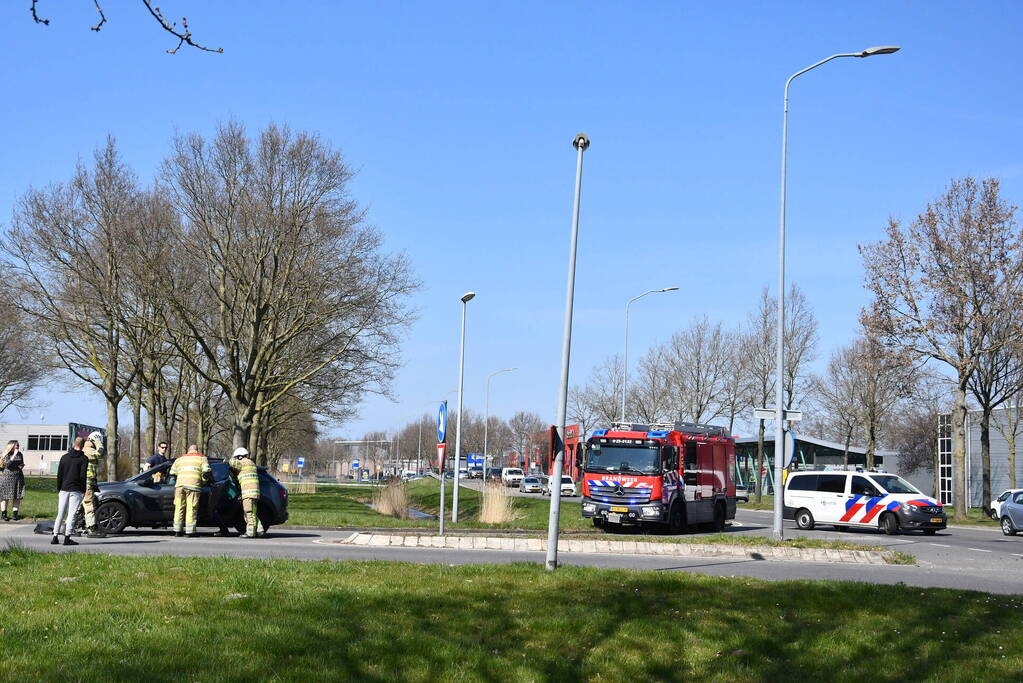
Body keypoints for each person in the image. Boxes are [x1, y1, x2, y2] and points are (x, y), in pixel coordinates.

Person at [52, 437, 89, 546]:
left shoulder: (64, 457)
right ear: (82, 446)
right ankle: (67, 538)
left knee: (60, 513)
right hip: (76, 489)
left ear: (73, 444)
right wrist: (83, 490)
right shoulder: (84, 459)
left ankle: (55, 537)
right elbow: (83, 476)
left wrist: (59, 488)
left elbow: (60, 475)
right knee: (71, 514)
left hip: (64, 488)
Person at [169, 444, 211, 537]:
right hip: (193, 486)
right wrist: (204, 481)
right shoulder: (202, 458)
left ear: (188, 450)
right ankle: (190, 532)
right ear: (197, 450)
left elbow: (172, 473)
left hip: (180, 487)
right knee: (191, 508)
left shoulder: (180, 459)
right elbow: (206, 472)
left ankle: (177, 531)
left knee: (179, 507)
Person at [228, 447, 261, 538]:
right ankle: (259, 530)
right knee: (253, 513)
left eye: (237, 457)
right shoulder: (251, 463)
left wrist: (228, 460)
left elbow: (232, 463)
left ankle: (250, 533)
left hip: (248, 492)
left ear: (240, 456)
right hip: (255, 492)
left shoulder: (242, 463)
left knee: (248, 512)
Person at [80, 431, 107, 538]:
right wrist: (98, 442)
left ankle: (79, 525)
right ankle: (91, 527)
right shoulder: (88, 450)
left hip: (88, 481)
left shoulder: (87, 449)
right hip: (87, 481)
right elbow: (101, 452)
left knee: (82, 505)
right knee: (88, 504)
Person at [0, 440, 26, 521]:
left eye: (18, 445)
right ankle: (4, 514)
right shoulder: (5, 454)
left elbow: (21, 463)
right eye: (16, 445)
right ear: (11, 446)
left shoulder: (20, 454)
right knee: (5, 496)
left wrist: (21, 466)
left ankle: (15, 514)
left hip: (18, 476)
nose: (17, 446)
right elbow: (7, 464)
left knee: (17, 496)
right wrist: (14, 454)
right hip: (7, 477)